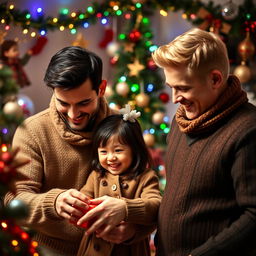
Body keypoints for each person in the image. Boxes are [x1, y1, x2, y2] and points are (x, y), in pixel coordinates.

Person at [4, 46, 155, 256]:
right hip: (49, 250)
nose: (74, 114)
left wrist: (133, 232)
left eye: (84, 103)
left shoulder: (123, 128)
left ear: (101, 89)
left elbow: (151, 200)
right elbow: (14, 202)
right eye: (63, 103)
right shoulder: (33, 131)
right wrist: (53, 203)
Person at [152, 28, 256, 256]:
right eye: (171, 88)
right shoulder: (182, 122)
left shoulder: (248, 130)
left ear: (215, 79)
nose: (175, 99)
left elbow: (253, 215)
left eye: (183, 88)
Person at [71, 105, 161, 256]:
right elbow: (83, 200)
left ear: (134, 149)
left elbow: (155, 206)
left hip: (131, 250)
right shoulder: (97, 176)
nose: (111, 157)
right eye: (103, 152)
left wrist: (126, 209)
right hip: (94, 249)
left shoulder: (146, 177)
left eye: (118, 150)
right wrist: (79, 206)